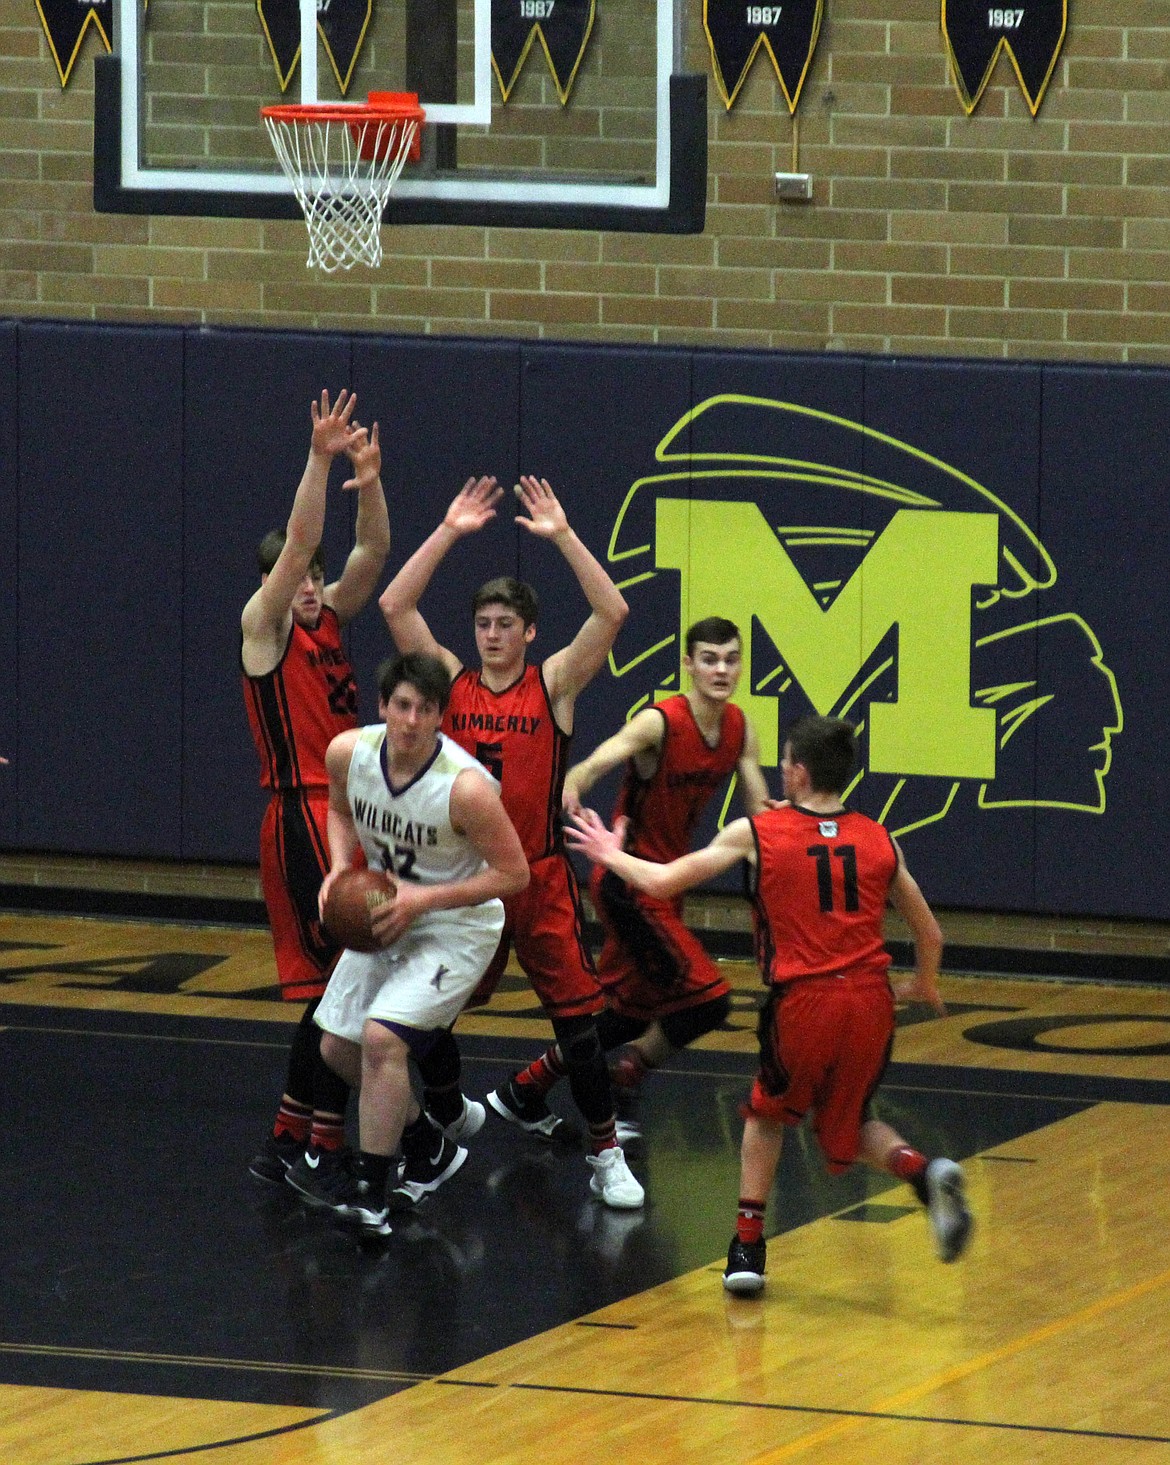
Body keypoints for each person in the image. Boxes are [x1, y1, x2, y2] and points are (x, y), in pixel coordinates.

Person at [567, 713, 973, 1295]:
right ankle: (924, 1170)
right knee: (851, 1123)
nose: (779, 770)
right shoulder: (880, 837)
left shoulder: (758, 832)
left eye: (784, 762)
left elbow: (661, 884)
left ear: (799, 772)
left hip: (804, 1001)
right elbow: (930, 933)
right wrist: (924, 984)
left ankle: (748, 1249)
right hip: (871, 1003)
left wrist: (609, 854)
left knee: (766, 1115)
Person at [379, 473, 644, 1209]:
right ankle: (454, 1109)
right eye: (483, 623)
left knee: (580, 1029)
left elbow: (613, 609)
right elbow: (395, 604)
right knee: (420, 1015)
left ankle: (605, 1153)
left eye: (505, 624)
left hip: (537, 878)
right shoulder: (451, 685)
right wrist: (448, 531)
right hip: (465, 879)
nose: (491, 634)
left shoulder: (552, 684)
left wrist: (561, 535)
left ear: (529, 633)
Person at [303, 652, 530, 1236]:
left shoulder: (466, 790)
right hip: (385, 911)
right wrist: (338, 868)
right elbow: (336, 811)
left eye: (425, 710)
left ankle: (372, 1198)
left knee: (382, 1040)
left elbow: (514, 875)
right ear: (382, 707)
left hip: (457, 925)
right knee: (334, 1048)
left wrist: (420, 901)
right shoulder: (347, 753)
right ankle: (428, 1144)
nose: (410, 720)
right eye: (401, 706)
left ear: (440, 718)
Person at [520, 617, 772, 1134]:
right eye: (709, 658)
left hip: (668, 882)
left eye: (730, 659)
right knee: (708, 1003)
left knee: (629, 1013)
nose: (721, 669)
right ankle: (628, 1075)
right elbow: (600, 759)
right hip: (628, 882)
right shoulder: (661, 722)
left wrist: (788, 831)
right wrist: (575, 780)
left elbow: (759, 810)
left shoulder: (740, 729)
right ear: (688, 664)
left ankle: (526, 1088)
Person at [242, 388, 392, 1191]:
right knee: (336, 980)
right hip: (298, 813)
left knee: (356, 975)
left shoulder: (328, 613)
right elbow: (302, 544)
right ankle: (294, 1136)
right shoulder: (262, 628)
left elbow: (369, 551)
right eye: (292, 577)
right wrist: (318, 456)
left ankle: (311, 1133)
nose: (305, 585)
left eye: (309, 579)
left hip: (344, 812)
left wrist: (366, 478)